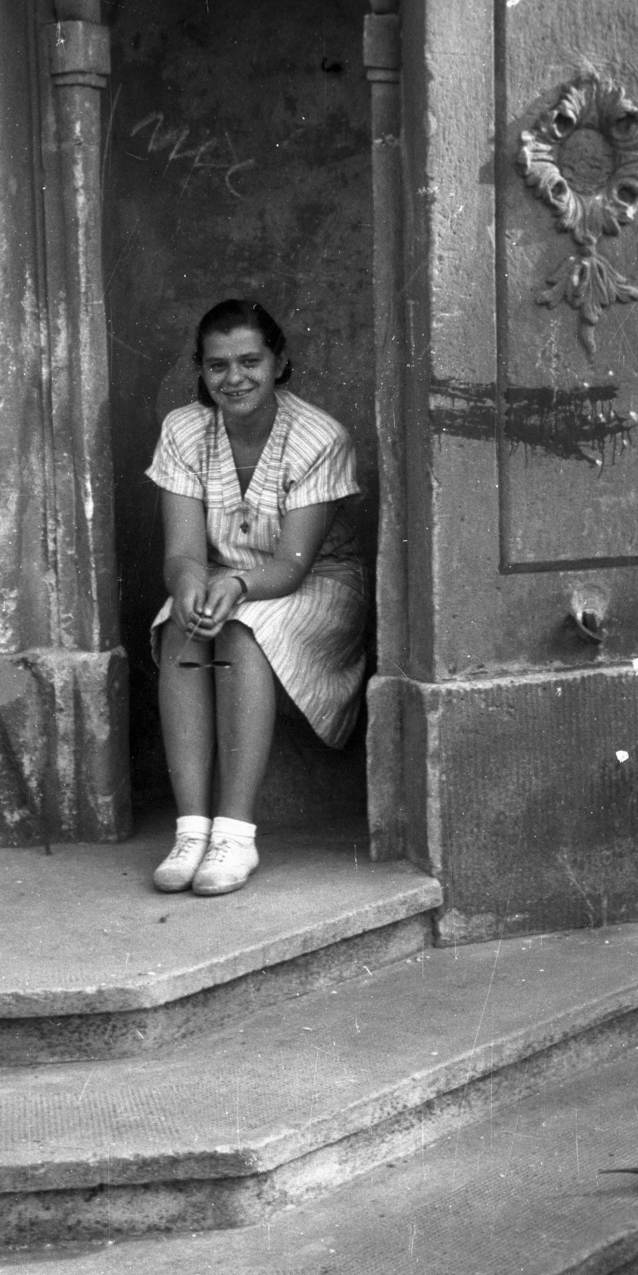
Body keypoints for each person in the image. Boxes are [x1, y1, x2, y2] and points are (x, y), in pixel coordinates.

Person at [146, 298, 367, 896]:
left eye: (250, 361)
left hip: (317, 581)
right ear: (201, 369)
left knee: (242, 631)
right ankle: (192, 829)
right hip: (223, 576)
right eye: (217, 366)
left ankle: (235, 834)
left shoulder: (320, 435)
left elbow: (293, 566)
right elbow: (183, 553)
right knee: (179, 626)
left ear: (279, 362)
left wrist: (235, 585)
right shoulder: (184, 429)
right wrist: (190, 585)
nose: (233, 378)